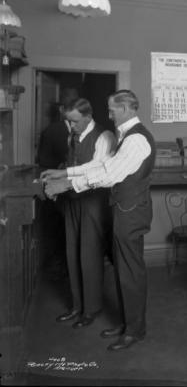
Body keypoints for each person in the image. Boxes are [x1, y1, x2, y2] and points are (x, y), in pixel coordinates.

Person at [44, 90, 156, 352]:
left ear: (127, 109)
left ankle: (135, 330)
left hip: (132, 212)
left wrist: (67, 185)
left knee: (131, 272)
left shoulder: (136, 139)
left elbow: (110, 175)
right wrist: (66, 174)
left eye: (112, 110)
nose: (108, 115)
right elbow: (102, 165)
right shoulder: (125, 136)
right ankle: (127, 324)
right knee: (123, 270)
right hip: (124, 209)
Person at [42, 98, 116, 328]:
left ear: (87, 116)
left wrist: (64, 179)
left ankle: (91, 309)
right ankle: (77, 306)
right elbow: (72, 163)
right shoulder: (73, 134)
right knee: (72, 252)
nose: (71, 126)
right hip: (72, 200)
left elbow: (98, 169)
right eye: (68, 121)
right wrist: (59, 175)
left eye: (74, 121)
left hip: (93, 203)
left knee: (90, 254)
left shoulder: (105, 137)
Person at [35, 87, 79, 281]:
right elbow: (60, 159)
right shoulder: (55, 130)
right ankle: (60, 268)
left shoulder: (64, 129)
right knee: (57, 228)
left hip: (67, 186)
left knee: (63, 228)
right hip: (54, 185)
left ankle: (65, 266)